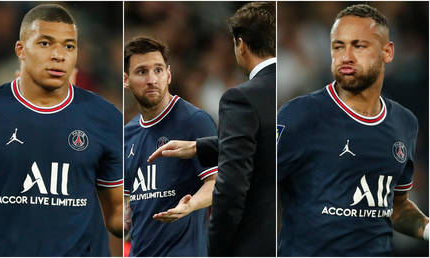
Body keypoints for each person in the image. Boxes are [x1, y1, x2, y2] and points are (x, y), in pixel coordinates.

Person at [0, 4, 123, 256]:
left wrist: (149, 213)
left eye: (69, 46)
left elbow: (116, 212)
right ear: (20, 49)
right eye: (45, 43)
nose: (58, 55)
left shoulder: (104, 117)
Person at [277, 4, 428, 256]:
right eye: (338, 46)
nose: (345, 56)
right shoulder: (301, 115)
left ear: (387, 52)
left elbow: (396, 208)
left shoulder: (405, 122)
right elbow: (256, 184)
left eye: (359, 46)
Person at [148, 2, 276, 256]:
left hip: (254, 243)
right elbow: (271, 141)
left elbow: (231, 187)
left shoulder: (241, 98)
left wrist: (215, 247)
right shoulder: (298, 90)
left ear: (240, 44)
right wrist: (199, 146)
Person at [123, 37, 218, 256]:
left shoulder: (194, 120)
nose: (152, 79)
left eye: (158, 70)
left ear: (169, 74)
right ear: (126, 80)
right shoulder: (127, 134)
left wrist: (191, 205)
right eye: (142, 72)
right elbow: (129, 202)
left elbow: (217, 182)